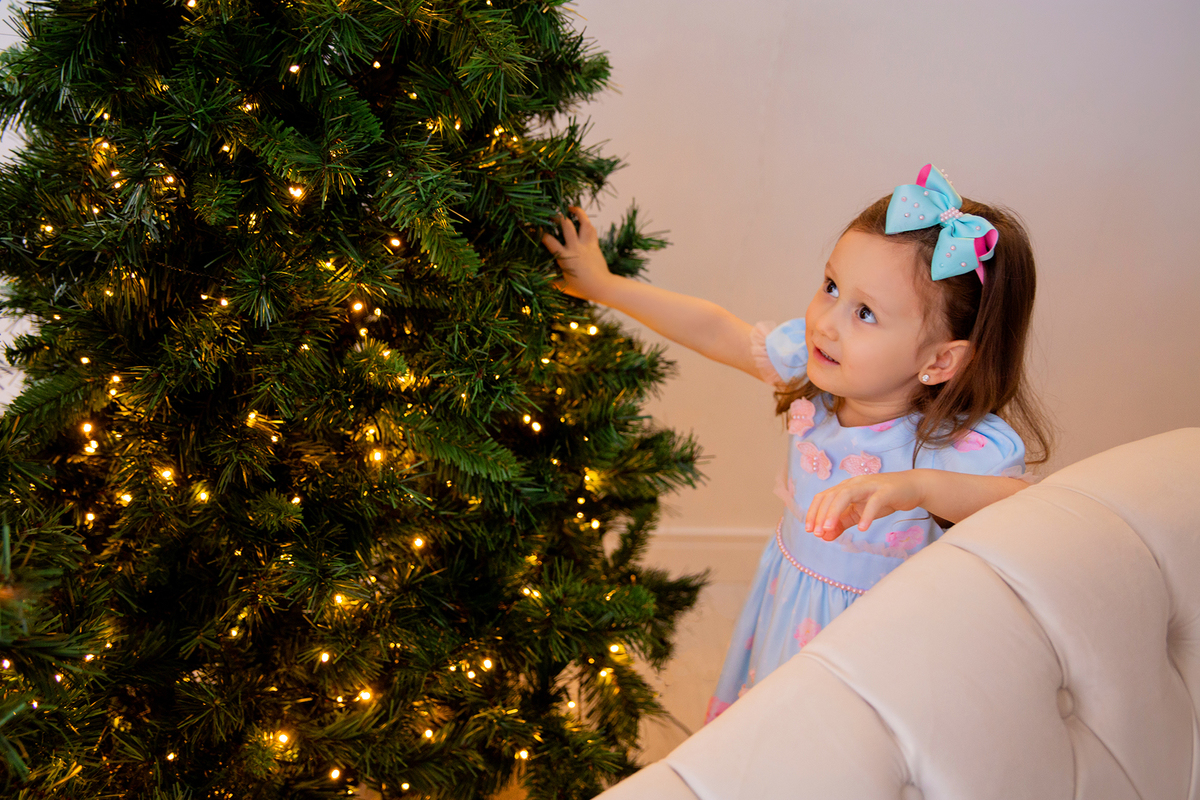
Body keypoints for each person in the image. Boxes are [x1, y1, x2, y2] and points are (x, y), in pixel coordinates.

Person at [542, 164, 1054, 723]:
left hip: (881, 646)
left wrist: (918, 486)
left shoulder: (952, 442)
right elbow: (719, 331)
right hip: (789, 607)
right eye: (831, 287)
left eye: (865, 313)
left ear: (940, 361)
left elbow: (1028, 508)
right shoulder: (810, 372)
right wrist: (603, 286)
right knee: (769, 733)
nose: (825, 324)